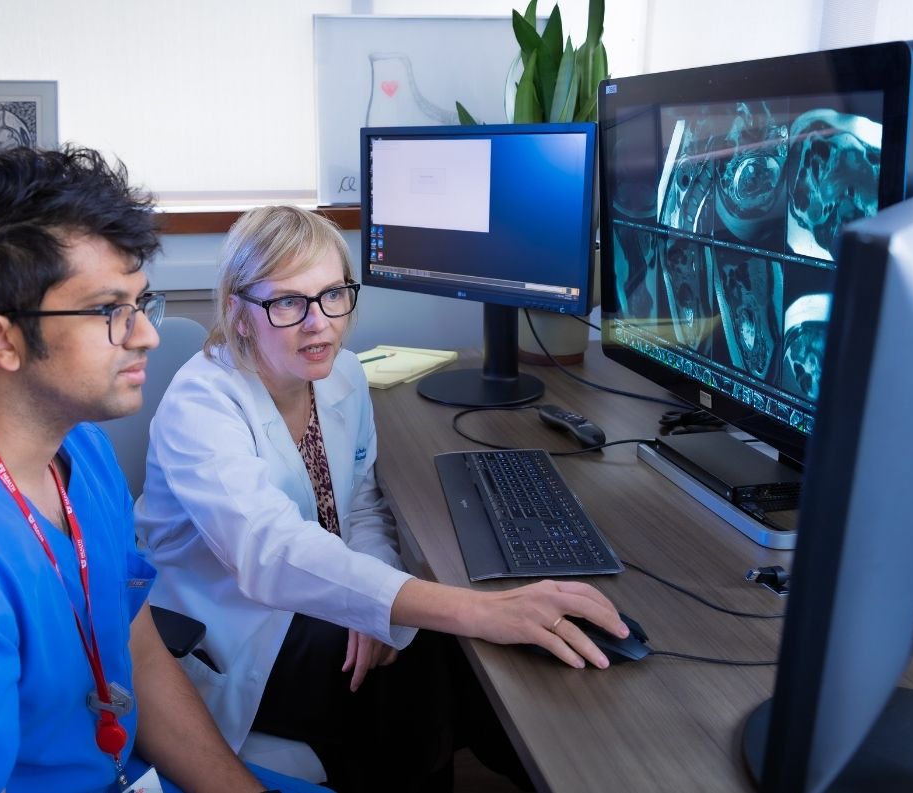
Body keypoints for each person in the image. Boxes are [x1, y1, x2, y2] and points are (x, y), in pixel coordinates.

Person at [0, 148, 324, 793]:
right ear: (1, 339)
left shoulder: (81, 447)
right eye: (109, 312)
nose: (146, 336)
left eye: (140, 304)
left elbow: (139, 650)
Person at [135, 205, 630, 791]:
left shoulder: (341, 374)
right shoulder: (203, 402)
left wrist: (372, 599)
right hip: (230, 630)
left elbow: (363, 506)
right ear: (240, 314)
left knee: (439, 658)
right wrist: (460, 610)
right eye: (288, 302)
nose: (318, 323)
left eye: (332, 295)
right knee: (428, 674)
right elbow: (267, 554)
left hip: (318, 590)